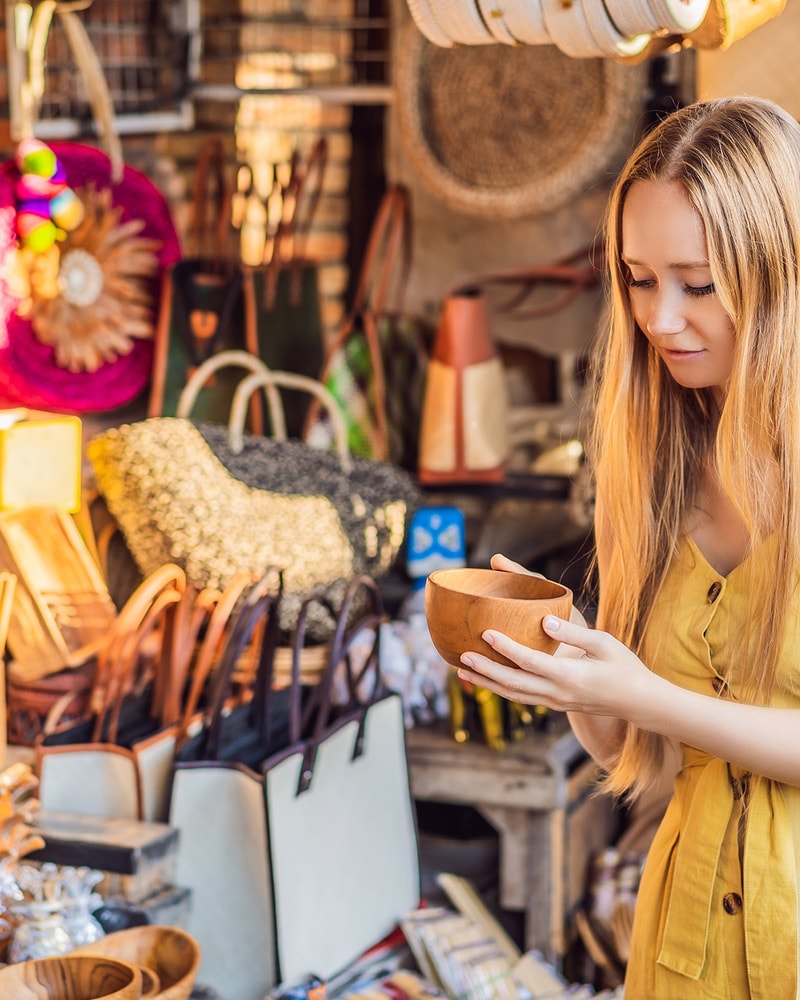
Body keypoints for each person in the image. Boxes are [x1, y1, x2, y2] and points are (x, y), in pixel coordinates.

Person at [454, 95, 800, 998]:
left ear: (783, 271)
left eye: (699, 281)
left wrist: (645, 693)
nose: (661, 317)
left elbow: (662, 707)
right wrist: (569, 664)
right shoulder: (658, 457)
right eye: (640, 279)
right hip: (682, 952)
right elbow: (627, 754)